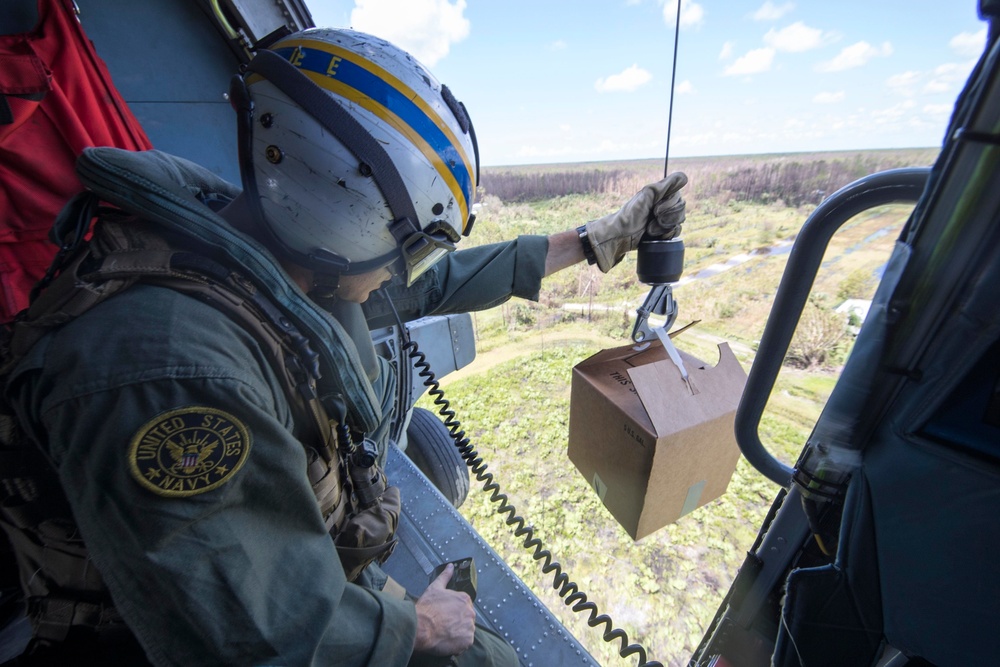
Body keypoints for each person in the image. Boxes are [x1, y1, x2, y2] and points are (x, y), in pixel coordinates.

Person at [0, 28, 687, 666]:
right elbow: (255, 633)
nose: (399, 271)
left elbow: (433, 282)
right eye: (400, 246)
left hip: (302, 558)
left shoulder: (266, 253)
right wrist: (418, 625)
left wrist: (595, 243)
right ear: (335, 218)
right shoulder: (170, 373)